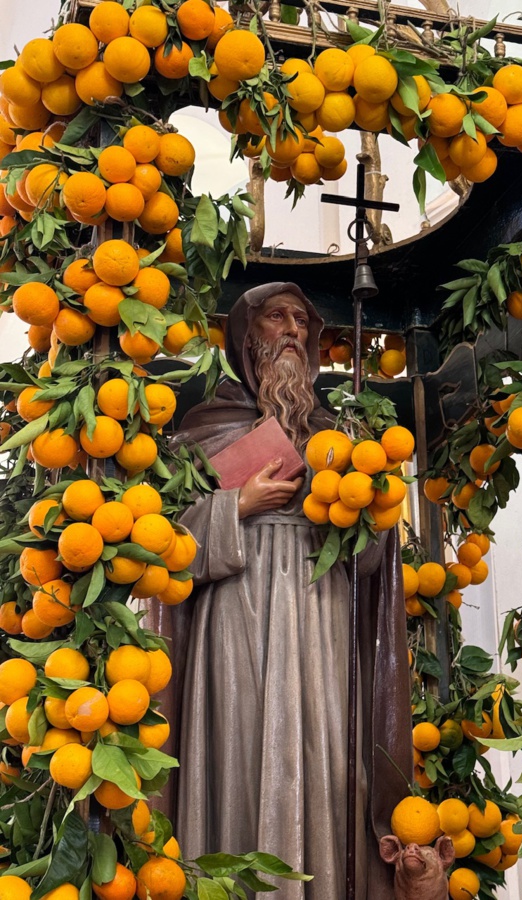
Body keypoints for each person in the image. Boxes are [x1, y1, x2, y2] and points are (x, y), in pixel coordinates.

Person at [167, 282, 412, 898]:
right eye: (278, 318)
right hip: (234, 607)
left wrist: (371, 505)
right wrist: (236, 507)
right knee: (241, 746)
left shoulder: (343, 437)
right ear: (248, 339)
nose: (294, 332)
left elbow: (376, 559)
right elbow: (164, 549)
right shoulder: (204, 432)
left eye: (303, 322)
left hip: (321, 608)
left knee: (325, 755)